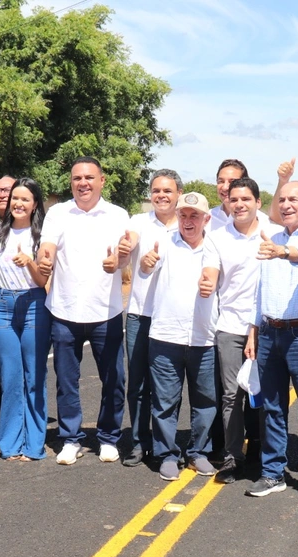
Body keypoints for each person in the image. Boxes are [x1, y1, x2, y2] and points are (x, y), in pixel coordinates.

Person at [243, 180, 298, 503]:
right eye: (281, 199)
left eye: (293, 199)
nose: (286, 205)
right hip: (269, 332)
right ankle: (272, 473)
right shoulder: (271, 237)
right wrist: (254, 329)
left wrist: (285, 252)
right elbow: (260, 289)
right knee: (271, 408)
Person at [38, 156, 131, 465]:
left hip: (105, 311)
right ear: (71, 183)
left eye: (90, 177)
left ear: (101, 181)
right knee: (66, 381)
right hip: (64, 312)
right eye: (77, 178)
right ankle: (71, 438)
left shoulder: (118, 215)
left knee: (114, 379)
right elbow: (47, 247)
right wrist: (44, 259)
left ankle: (108, 437)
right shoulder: (58, 213)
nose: (83, 183)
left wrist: (116, 263)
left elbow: (125, 256)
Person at [142, 191, 219, 480]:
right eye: (183, 215)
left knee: (206, 401)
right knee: (164, 401)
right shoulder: (164, 243)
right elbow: (147, 266)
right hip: (166, 337)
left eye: (194, 215)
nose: (188, 220)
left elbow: (215, 277)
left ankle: (198, 452)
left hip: (204, 337)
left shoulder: (215, 247)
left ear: (206, 219)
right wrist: (147, 262)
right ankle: (167, 454)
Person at [209, 177, 281, 484]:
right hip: (229, 327)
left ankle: (267, 455)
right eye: (233, 199)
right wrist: (205, 283)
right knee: (231, 396)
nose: (239, 204)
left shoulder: (273, 232)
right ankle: (233, 457)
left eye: (245, 199)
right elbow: (211, 274)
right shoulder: (217, 237)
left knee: (268, 395)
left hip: (267, 327)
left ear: (257, 202)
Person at [121, 169, 182, 467]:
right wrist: (130, 252)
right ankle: (137, 442)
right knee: (138, 384)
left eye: (167, 191)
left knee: (167, 387)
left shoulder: (188, 223)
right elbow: (129, 241)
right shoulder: (138, 222)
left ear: (178, 194)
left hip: (172, 320)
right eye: (156, 190)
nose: (161, 195)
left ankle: (166, 444)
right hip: (140, 315)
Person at [0, 178, 51, 461]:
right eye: (15, 198)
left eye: (26, 199)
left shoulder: (42, 236)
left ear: (35, 204)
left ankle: (34, 444)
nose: (18, 203)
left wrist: (29, 261)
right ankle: (10, 444)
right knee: (11, 377)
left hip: (34, 305)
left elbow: (43, 281)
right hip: (2, 306)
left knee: (35, 376)